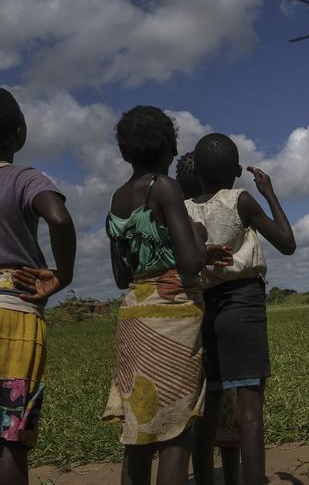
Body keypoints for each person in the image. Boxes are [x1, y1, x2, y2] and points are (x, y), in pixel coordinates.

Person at [103, 106, 230, 485]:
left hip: (134, 316)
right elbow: (190, 262)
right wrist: (200, 236)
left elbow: (120, 274)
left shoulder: (117, 198)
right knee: (177, 432)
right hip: (173, 320)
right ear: (171, 149)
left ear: (124, 153)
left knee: (138, 432)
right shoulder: (165, 187)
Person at [187, 133, 296, 485]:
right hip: (244, 306)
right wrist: (269, 193)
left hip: (205, 310)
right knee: (249, 413)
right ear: (236, 171)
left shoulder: (184, 209)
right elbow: (286, 243)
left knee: (208, 411)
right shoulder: (241, 200)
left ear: (196, 172)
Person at [0, 88, 77, 485]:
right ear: (18, 134)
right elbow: (60, 220)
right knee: (11, 436)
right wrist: (62, 274)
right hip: (16, 313)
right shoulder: (24, 177)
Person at [176, 150, 242, 485]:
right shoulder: (224, 207)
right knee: (226, 411)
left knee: (196, 417)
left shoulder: (174, 216)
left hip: (185, 324)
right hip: (220, 314)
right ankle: (232, 478)